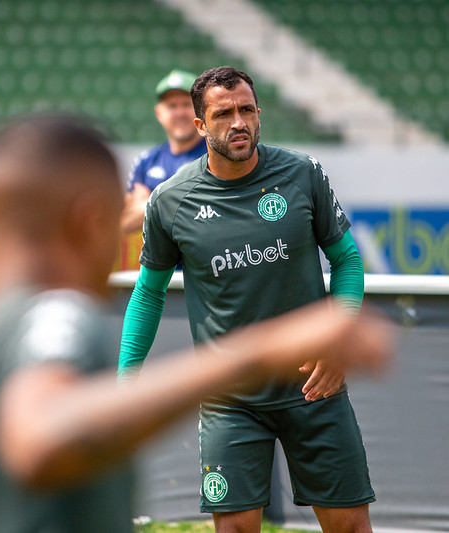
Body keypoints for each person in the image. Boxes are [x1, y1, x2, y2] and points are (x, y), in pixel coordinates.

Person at [0, 114, 391, 532]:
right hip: (236, 404)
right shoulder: (53, 320)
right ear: (93, 219)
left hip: (311, 395)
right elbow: (42, 435)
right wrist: (255, 356)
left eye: (246, 109)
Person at [118, 66, 373, 532]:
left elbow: (348, 262)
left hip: (314, 386)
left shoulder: (303, 173)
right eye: (223, 114)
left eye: (247, 110)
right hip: (228, 397)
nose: (238, 122)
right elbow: (148, 294)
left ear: (258, 113)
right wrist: (126, 378)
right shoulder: (170, 201)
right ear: (199, 126)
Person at [121, 69, 208, 234]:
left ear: (200, 109)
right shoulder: (146, 161)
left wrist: (150, 201)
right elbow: (125, 223)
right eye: (172, 106)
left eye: (186, 104)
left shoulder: (215, 156)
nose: (180, 113)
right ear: (159, 113)